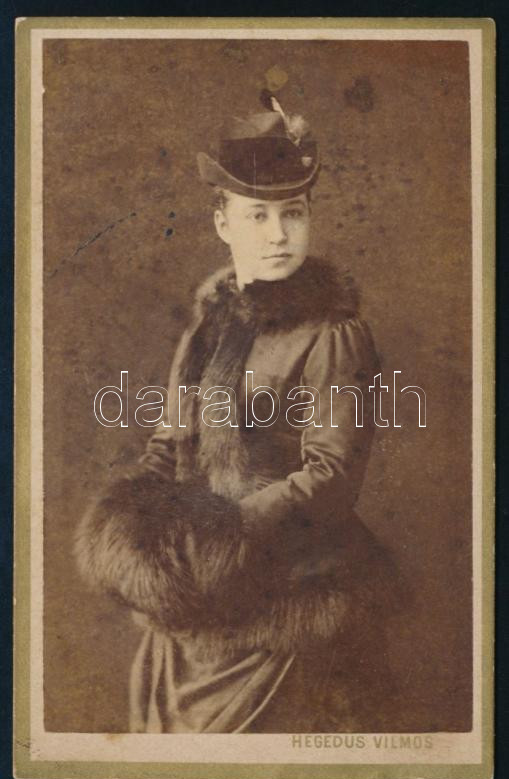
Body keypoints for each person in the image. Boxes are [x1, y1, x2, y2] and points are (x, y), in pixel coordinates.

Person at [75, 98, 403, 733]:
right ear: (223, 223)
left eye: (293, 213)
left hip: (291, 598)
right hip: (195, 609)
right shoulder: (206, 329)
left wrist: (219, 538)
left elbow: (331, 476)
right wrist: (139, 531)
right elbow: (169, 447)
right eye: (258, 215)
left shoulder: (334, 334)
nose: (278, 234)